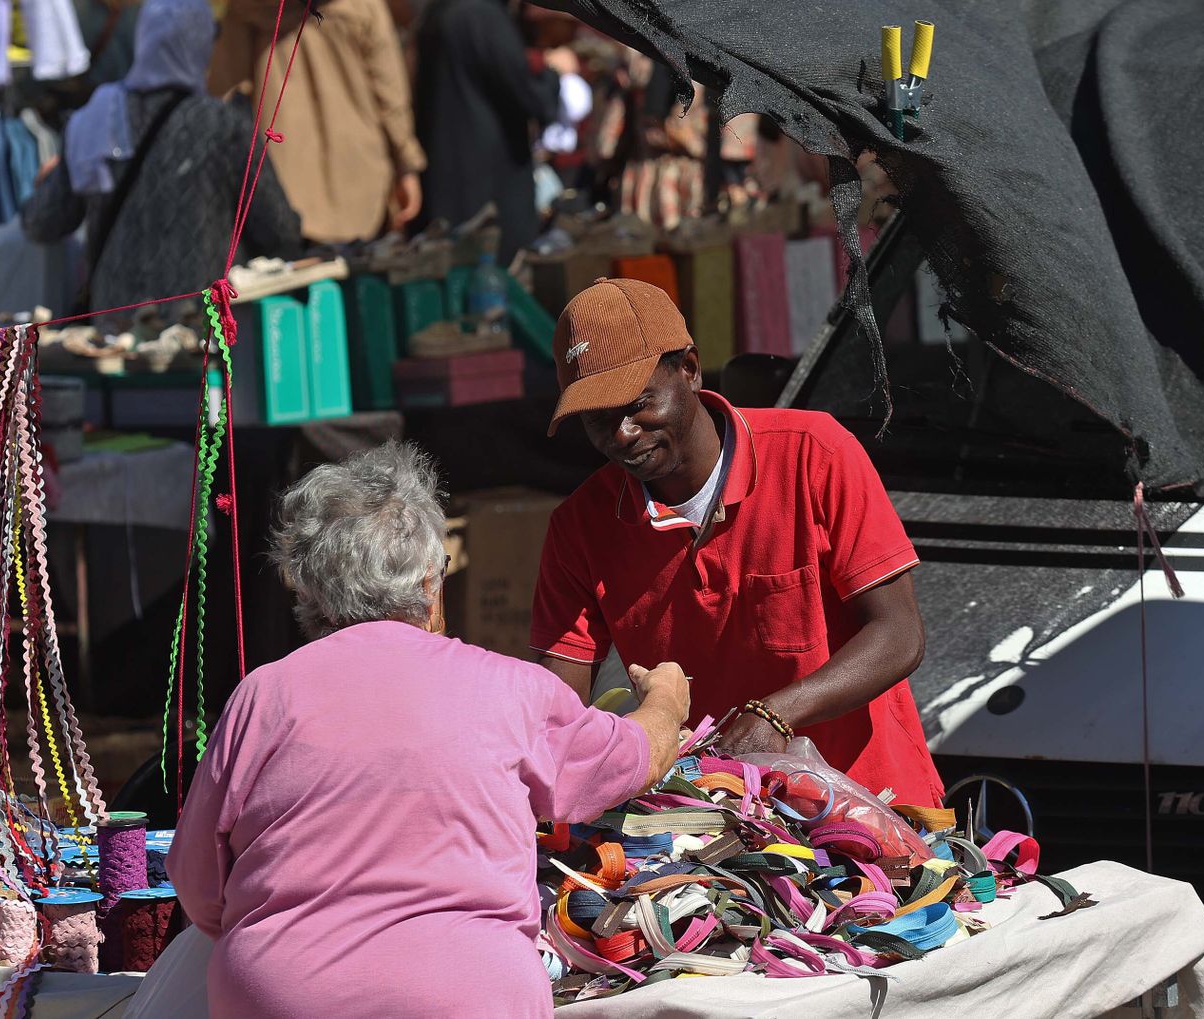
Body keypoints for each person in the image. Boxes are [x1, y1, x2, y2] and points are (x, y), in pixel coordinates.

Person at [167, 441, 690, 1018]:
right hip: (469, 995)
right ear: (429, 583)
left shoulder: (263, 696)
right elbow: (634, 758)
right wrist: (665, 700)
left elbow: (197, 883)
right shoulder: (511, 690)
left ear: (309, 588)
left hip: (281, 996)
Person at [530, 278, 946, 808]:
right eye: (597, 419)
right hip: (719, 832)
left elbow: (899, 634)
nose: (622, 433)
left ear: (690, 367)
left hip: (875, 810)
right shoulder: (579, 526)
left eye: (637, 404)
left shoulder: (815, 454)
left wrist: (777, 714)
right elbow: (556, 708)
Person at [21, 0, 302, 332]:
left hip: (114, 338)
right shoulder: (226, 127)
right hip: (202, 335)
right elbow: (281, 233)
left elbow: (42, 223)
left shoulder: (96, 117)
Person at [207, 0, 427, 245]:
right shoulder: (364, 5)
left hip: (282, 179)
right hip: (360, 178)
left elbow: (224, 95)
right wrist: (406, 163)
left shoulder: (245, 10)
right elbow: (390, 94)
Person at [414, 0, 565, 262]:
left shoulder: (440, 12)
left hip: (446, 171)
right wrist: (553, 75)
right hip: (488, 181)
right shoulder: (484, 16)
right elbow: (530, 97)